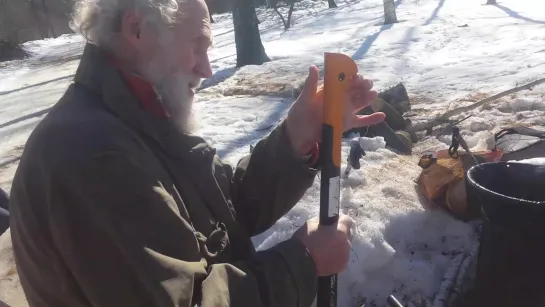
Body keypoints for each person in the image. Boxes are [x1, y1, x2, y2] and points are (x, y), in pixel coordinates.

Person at [8, 0, 385, 306]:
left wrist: (296, 136)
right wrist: (303, 263)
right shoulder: (90, 156)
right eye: (197, 45)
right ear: (136, 29)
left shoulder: (142, 117)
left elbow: (226, 209)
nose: (206, 68)